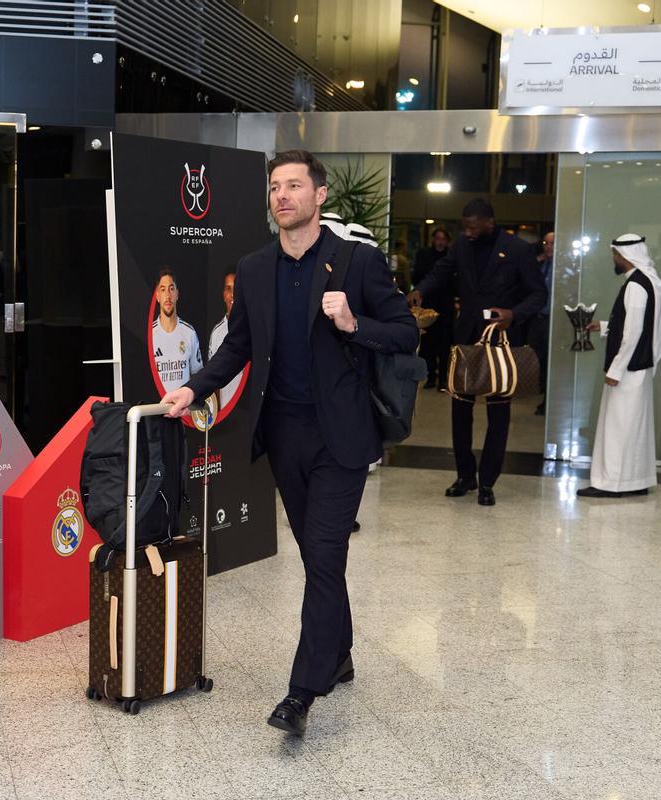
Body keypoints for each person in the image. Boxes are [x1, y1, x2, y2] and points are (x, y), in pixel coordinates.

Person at [161, 150, 417, 737]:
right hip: (283, 435)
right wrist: (192, 389)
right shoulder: (254, 268)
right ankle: (342, 652)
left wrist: (355, 323)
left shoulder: (357, 263)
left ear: (319, 196)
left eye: (294, 186)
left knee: (324, 556)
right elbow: (237, 347)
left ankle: (302, 691)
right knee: (318, 557)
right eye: (275, 187)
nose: (282, 196)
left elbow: (405, 332)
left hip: (342, 438)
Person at [407, 199, 546, 506]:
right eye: (464, 226)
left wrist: (513, 313)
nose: (468, 232)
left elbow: (538, 294)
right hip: (467, 339)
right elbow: (441, 271)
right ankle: (465, 475)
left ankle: (487, 482)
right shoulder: (461, 245)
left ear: (489, 223)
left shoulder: (517, 250)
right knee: (460, 411)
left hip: (501, 339)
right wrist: (421, 290)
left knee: (498, 414)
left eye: (473, 227)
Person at [576, 234, 661, 498]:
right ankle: (635, 481)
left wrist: (616, 370)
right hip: (639, 367)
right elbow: (639, 323)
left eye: (615, 255)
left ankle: (611, 484)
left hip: (629, 369)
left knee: (617, 427)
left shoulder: (636, 285)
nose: (613, 259)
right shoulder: (650, 279)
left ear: (625, 256)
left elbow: (634, 331)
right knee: (634, 426)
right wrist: (604, 327)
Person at [410, 228, 453, 389]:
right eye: (438, 238)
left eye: (443, 239)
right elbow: (417, 275)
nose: (440, 242)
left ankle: (442, 378)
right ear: (433, 239)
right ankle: (431, 378)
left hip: (446, 304)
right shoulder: (424, 254)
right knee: (428, 343)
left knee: (444, 343)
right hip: (427, 302)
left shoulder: (451, 256)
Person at [151, 268, 202, 392]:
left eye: (171, 289)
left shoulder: (189, 333)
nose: (168, 296)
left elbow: (198, 375)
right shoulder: (149, 335)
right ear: (157, 296)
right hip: (156, 409)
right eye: (163, 290)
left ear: (177, 294)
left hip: (184, 410)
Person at [527, 231, 554, 415]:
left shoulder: (563, 267)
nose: (548, 246)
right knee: (538, 358)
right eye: (546, 242)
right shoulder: (542, 263)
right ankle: (540, 389)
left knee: (551, 361)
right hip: (537, 318)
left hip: (553, 319)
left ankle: (548, 401)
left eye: (552, 243)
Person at [207, 270, 240, 410]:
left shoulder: (254, 327)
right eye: (228, 289)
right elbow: (212, 378)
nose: (232, 294)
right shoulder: (217, 333)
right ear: (223, 295)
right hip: (226, 413)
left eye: (236, 289)